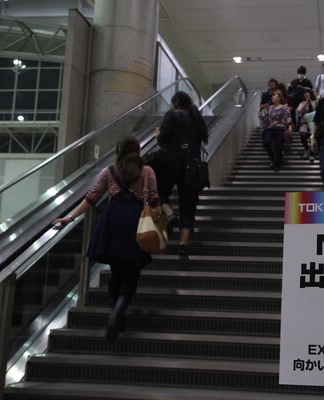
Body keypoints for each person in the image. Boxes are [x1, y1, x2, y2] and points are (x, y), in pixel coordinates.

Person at [53, 136, 160, 341]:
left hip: (112, 222)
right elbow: (154, 200)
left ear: (118, 151)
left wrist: (69, 217)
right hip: (136, 223)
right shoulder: (147, 172)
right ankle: (119, 310)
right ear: (138, 151)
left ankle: (114, 308)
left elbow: (91, 197)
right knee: (132, 274)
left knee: (116, 271)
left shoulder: (109, 172)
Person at [150, 91, 208, 259]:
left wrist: (158, 134)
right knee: (188, 206)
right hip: (192, 167)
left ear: (176, 102)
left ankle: (170, 213)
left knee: (159, 192)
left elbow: (163, 140)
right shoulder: (197, 118)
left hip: (171, 163)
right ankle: (183, 246)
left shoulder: (172, 115)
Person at [258, 89, 293, 170]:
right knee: (267, 142)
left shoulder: (284, 108)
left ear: (279, 97)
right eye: (272, 95)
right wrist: (262, 109)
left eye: (274, 95)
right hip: (270, 129)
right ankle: (274, 160)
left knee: (279, 147)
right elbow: (262, 117)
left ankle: (278, 164)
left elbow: (288, 119)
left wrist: (289, 127)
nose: (272, 97)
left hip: (280, 129)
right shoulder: (270, 108)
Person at [297, 87, 317, 162]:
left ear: (311, 93)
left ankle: (312, 154)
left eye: (307, 92)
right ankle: (307, 148)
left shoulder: (315, 102)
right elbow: (299, 111)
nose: (306, 94)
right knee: (303, 135)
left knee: (312, 137)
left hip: (313, 123)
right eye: (305, 93)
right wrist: (306, 103)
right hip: (304, 123)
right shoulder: (302, 103)